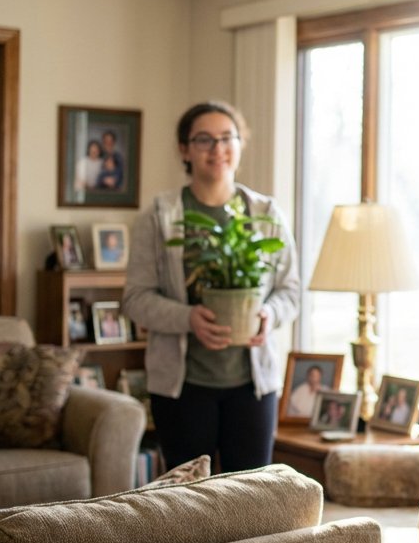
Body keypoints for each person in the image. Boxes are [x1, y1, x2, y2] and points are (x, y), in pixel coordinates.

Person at [121, 100, 301, 473]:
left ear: (240, 144)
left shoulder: (266, 214)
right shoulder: (160, 217)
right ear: (184, 149)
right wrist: (188, 319)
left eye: (226, 138)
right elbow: (136, 299)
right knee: (188, 501)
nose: (217, 149)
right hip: (182, 387)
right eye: (204, 140)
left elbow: (290, 291)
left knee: (252, 496)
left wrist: (268, 314)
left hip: (253, 386)